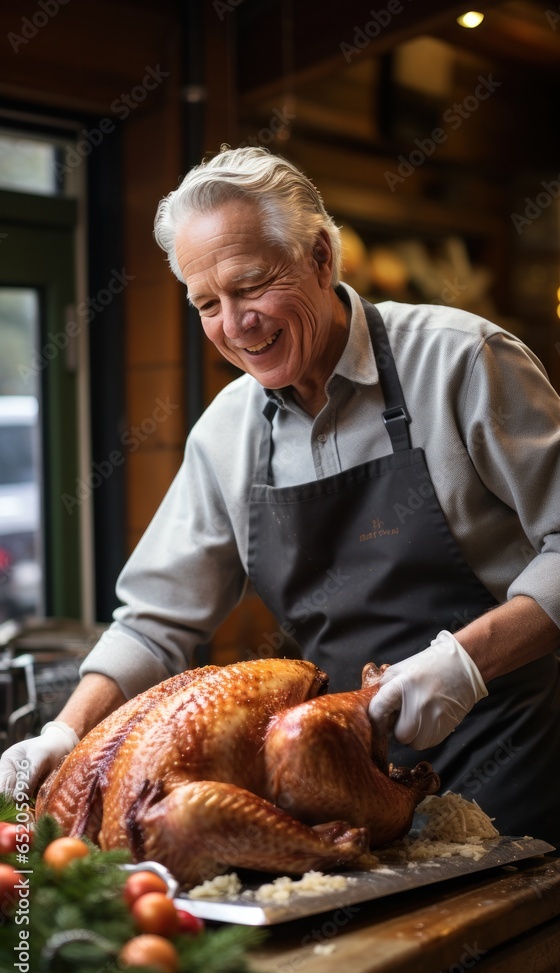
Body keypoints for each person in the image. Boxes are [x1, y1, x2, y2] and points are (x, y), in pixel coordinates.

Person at [1, 146, 559, 847]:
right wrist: (64, 730)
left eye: (252, 286)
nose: (236, 325)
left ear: (321, 259)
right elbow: (154, 624)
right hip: (343, 781)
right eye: (208, 304)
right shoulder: (227, 433)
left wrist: (465, 664)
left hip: (513, 758)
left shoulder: (461, 360)